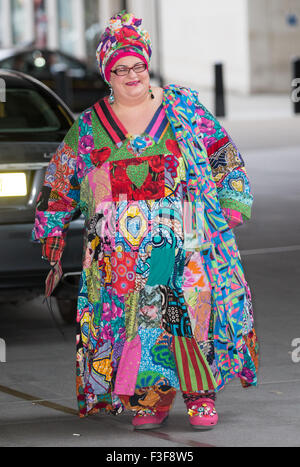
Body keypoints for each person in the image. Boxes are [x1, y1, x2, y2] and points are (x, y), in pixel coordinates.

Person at [32, 11, 258, 430]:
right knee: (137, 321)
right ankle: (150, 397)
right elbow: (60, 179)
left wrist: (233, 200)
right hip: (120, 248)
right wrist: (52, 229)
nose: (132, 74)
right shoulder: (87, 128)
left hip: (185, 234)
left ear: (147, 65)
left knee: (190, 311)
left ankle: (200, 394)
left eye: (139, 65)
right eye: (121, 68)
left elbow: (222, 153)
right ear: (107, 73)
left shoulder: (183, 107)